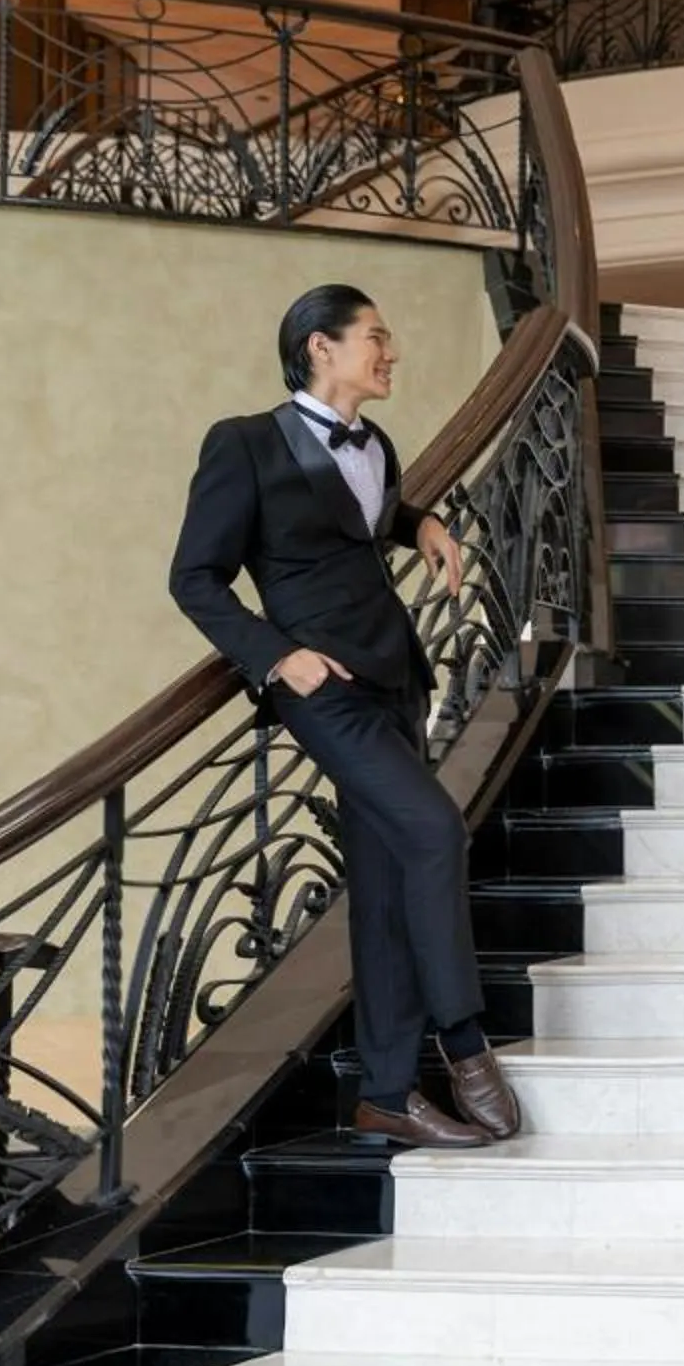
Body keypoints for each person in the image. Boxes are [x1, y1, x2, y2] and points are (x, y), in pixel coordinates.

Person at [169, 285, 524, 1149]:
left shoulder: (378, 444)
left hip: (398, 676)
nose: (390, 352)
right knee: (435, 832)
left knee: (387, 879)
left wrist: (419, 522)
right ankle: (465, 1043)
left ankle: (387, 1093)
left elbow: (353, 515)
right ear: (319, 347)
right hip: (324, 690)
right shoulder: (243, 442)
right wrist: (273, 655)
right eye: (376, 337)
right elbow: (194, 577)